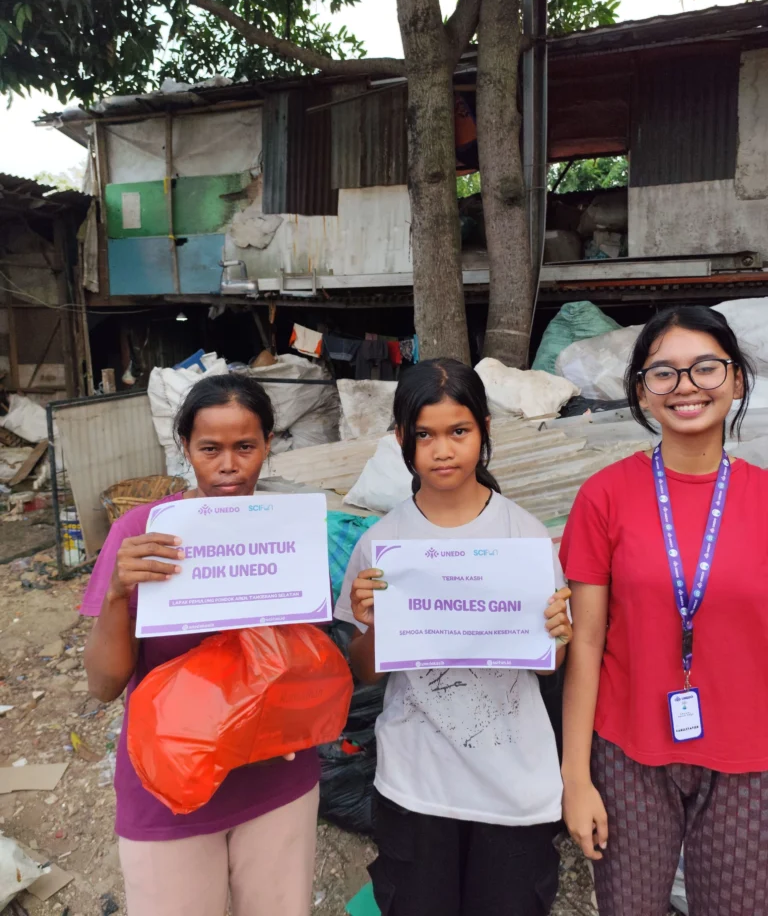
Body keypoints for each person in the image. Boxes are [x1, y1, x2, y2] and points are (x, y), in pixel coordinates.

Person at [334, 358, 572, 916]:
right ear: (401, 438)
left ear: (484, 430)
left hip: (513, 786)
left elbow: (547, 665)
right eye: (425, 435)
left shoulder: (523, 536)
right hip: (416, 784)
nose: (442, 450)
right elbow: (366, 672)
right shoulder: (383, 542)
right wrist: (376, 624)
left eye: (458, 431)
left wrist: (557, 634)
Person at [82, 374, 319, 916]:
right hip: (169, 783)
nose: (229, 465)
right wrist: (117, 593)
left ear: (269, 444)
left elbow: (309, 658)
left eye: (245, 447)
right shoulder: (144, 533)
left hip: (275, 777)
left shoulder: (292, 531)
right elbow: (103, 685)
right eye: (210, 449)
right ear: (185, 447)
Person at [560, 305, 768, 916]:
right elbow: (586, 644)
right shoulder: (604, 497)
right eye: (663, 373)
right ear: (642, 393)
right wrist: (576, 778)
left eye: (706, 367)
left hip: (749, 760)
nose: (686, 386)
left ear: (736, 381)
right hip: (627, 754)